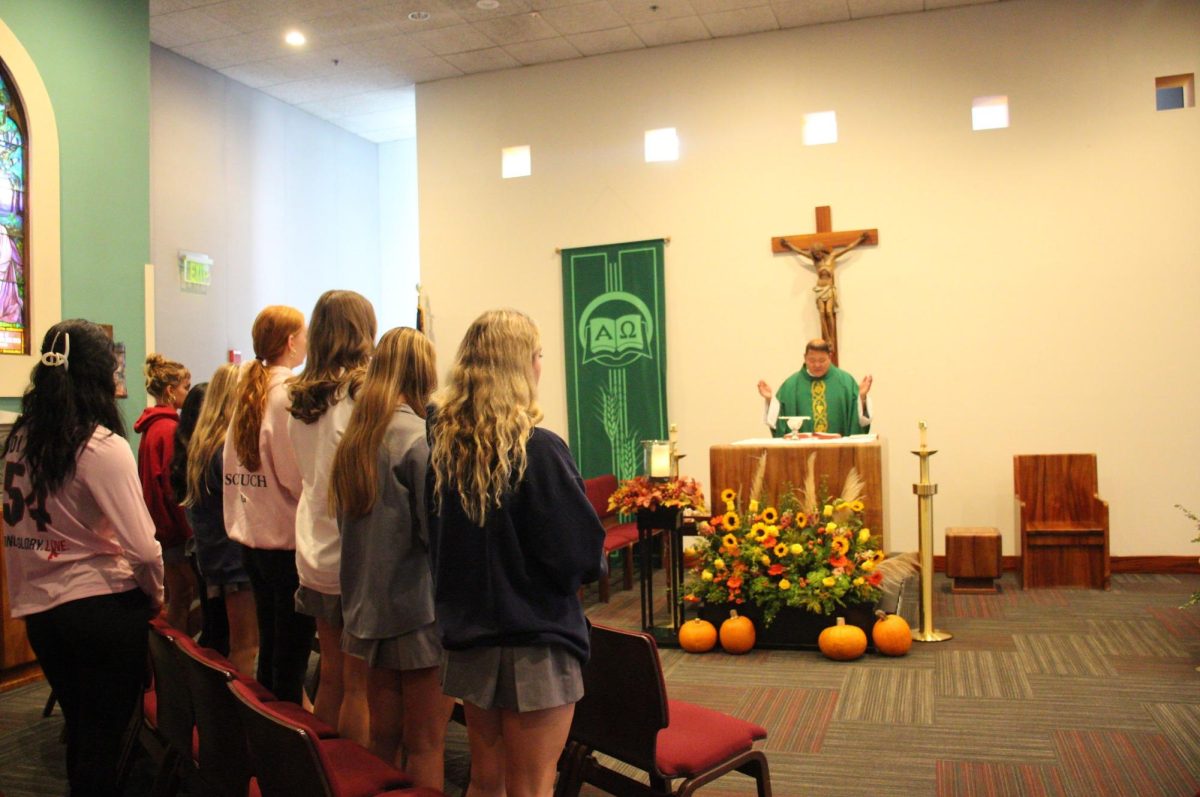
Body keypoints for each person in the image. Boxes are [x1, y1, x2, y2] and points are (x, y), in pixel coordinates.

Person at [427, 308, 606, 797]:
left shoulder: (444, 449)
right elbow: (579, 554)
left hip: (471, 634)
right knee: (531, 786)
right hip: (533, 643)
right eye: (539, 355)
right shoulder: (537, 449)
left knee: (487, 780)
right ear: (524, 365)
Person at [2, 319, 164, 797]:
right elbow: (143, 546)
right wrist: (156, 596)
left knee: (83, 733)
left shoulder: (18, 439)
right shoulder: (99, 446)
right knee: (105, 744)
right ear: (99, 375)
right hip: (101, 611)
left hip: (42, 614)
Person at [331, 327, 453, 790]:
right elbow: (433, 533)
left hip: (369, 608)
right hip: (417, 612)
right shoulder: (415, 439)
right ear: (423, 373)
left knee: (383, 740)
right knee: (426, 745)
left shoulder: (358, 436)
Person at [287, 289, 375, 743]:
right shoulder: (361, 397)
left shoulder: (301, 399)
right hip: (352, 551)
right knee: (359, 687)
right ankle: (352, 780)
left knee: (333, 676)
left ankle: (322, 774)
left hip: (314, 548)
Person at [224, 305, 311, 703]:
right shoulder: (285, 395)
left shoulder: (247, 392)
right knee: (289, 658)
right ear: (291, 342)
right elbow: (294, 476)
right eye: (304, 333)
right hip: (283, 541)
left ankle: (265, 734)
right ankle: (285, 752)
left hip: (252, 537)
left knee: (272, 646)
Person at [183, 363, 259, 676]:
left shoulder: (203, 444)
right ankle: (231, 722)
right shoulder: (224, 450)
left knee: (231, 641)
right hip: (233, 558)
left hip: (215, 555)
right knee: (245, 646)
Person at [135, 352, 197, 633]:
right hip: (175, 532)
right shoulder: (170, 429)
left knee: (176, 598)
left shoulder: (151, 428)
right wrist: (187, 530)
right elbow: (174, 487)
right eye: (185, 387)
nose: (189, 393)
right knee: (183, 598)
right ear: (171, 391)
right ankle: (178, 667)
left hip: (160, 528)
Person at [169, 380, 228, 654]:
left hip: (201, 547)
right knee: (225, 635)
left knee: (213, 626)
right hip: (215, 549)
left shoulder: (189, 450)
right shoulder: (211, 454)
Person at [757, 338, 873, 437]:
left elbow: (858, 423)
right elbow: (779, 423)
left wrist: (861, 398)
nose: (817, 365)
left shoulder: (846, 383)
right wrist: (769, 399)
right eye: (812, 360)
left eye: (822, 360)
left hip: (839, 455)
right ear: (805, 357)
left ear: (830, 356)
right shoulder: (791, 385)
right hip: (802, 455)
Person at [781, 233, 868, 356]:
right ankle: (826, 338)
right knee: (822, 313)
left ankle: (831, 338)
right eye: (815, 254)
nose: (817, 255)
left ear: (822, 250)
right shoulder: (815, 261)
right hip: (819, 290)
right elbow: (800, 252)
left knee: (828, 312)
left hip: (829, 289)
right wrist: (788, 244)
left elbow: (848, 248)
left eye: (818, 253)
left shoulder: (832, 257)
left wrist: (860, 239)